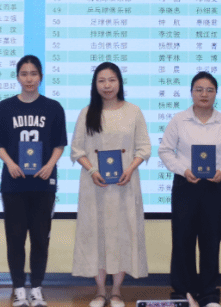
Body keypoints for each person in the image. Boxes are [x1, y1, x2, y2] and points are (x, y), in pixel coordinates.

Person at [158, 72, 221, 307]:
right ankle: (182, 293)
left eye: (209, 90)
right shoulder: (179, 120)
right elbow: (165, 150)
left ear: (216, 94)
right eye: (199, 89)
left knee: (211, 242)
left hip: (214, 187)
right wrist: (183, 169)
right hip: (186, 186)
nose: (204, 94)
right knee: (182, 240)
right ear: (191, 92)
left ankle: (208, 295)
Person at [71, 61, 150, 307]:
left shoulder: (133, 111)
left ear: (119, 82)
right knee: (96, 236)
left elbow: (144, 148)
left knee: (122, 235)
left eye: (112, 80)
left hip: (125, 184)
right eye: (102, 80)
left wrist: (130, 168)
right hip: (95, 185)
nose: (107, 85)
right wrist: (92, 170)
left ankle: (116, 291)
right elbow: (77, 150)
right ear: (95, 84)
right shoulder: (87, 113)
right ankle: (99, 292)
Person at [0, 55, 66, 307]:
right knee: (15, 239)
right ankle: (19, 289)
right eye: (24, 73)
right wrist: (10, 163)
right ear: (17, 77)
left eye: (33, 73)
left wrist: (50, 165)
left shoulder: (53, 108)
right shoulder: (5, 107)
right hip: (14, 184)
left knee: (40, 239)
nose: (29, 78)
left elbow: (59, 144)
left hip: (43, 183)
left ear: (41, 77)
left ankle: (37, 288)